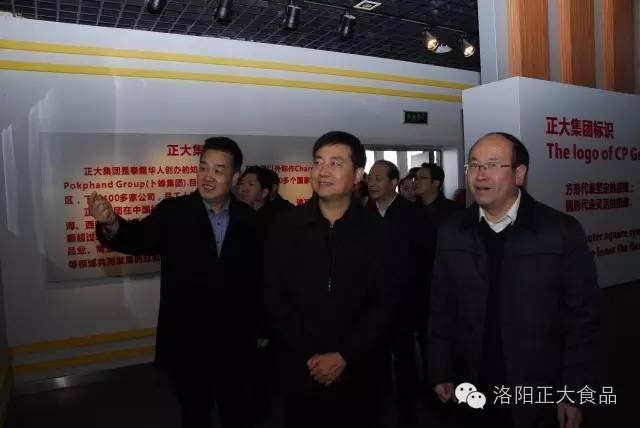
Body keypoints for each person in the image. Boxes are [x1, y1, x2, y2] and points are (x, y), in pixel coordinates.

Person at [428, 132, 601, 428]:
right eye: (474, 165)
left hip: (537, 387)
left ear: (519, 174)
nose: (480, 175)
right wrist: (440, 369)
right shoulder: (452, 231)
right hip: (472, 382)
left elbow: (583, 318)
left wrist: (573, 391)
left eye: (493, 165)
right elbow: (441, 308)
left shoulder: (560, 231)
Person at [88, 137, 258, 428]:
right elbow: (137, 238)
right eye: (203, 167)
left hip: (235, 342)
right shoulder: (175, 211)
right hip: (187, 341)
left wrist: (260, 328)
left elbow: (257, 278)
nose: (207, 176)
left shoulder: (249, 219)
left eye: (218, 170)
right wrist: (111, 222)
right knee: (194, 415)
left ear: (235, 176)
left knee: (236, 414)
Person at [264, 131, 399, 428]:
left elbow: (385, 302)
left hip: (361, 369)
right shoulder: (286, 227)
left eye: (335, 163)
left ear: (357, 175)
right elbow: (275, 297)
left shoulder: (378, 232)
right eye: (318, 162)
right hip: (301, 368)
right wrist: (310, 354)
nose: (323, 171)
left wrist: (344, 355)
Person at [367, 160, 435, 426]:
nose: (372, 183)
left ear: (394, 182)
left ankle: (408, 412)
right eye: (370, 178)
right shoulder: (364, 213)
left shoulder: (412, 214)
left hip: (403, 303)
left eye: (378, 178)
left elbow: (425, 260)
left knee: (404, 358)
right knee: (375, 358)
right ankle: (378, 408)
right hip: (372, 303)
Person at [414, 162, 462, 227]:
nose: (416, 182)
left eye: (422, 178)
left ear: (435, 183)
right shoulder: (411, 209)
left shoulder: (454, 211)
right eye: (416, 178)